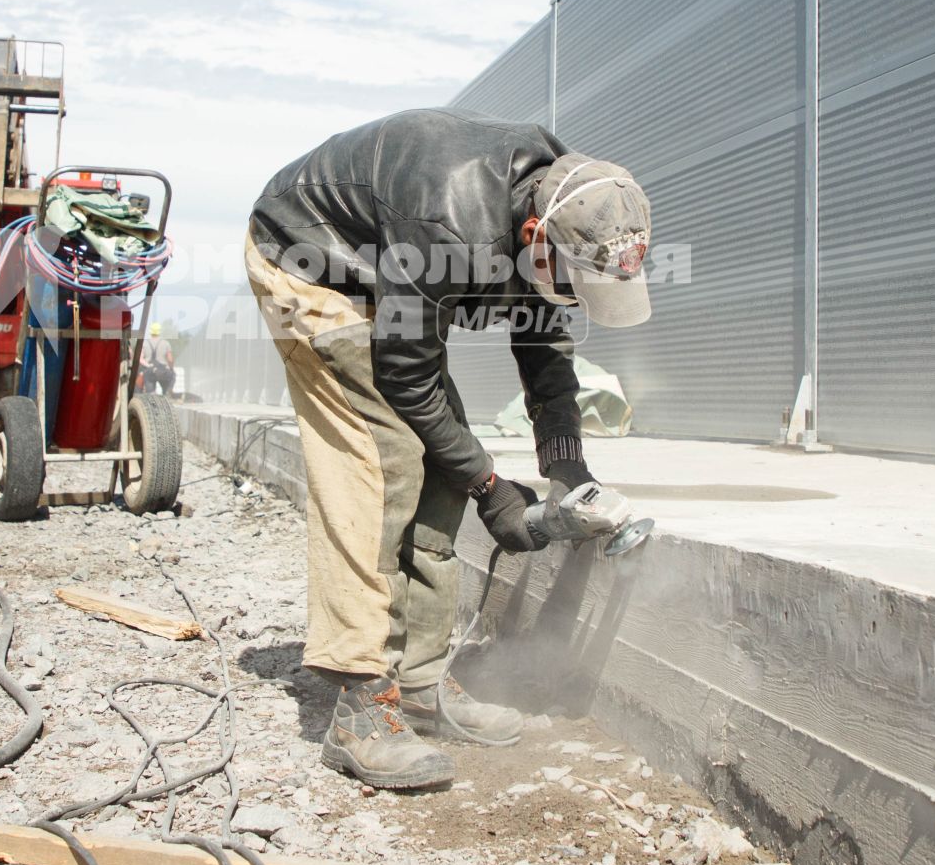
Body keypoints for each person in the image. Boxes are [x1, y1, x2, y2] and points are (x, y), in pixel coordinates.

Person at [244, 108, 653, 790]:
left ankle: (422, 681)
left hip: (385, 264)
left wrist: (566, 469)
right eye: (573, 283)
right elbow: (404, 373)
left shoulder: (570, 200)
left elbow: (546, 343)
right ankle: (359, 704)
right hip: (308, 259)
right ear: (531, 237)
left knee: (442, 460)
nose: (575, 300)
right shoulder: (450, 223)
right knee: (384, 462)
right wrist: (493, 489)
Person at [139, 323, 176, 396]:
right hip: (163, 371)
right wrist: (171, 369)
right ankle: (167, 392)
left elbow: (140, 359)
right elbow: (170, 359)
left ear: (150, 331)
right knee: (172, 376)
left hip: (149, 371)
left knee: (151, 395)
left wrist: (148, 366)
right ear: (160, 331)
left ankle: (152, 400)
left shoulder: (144, 343)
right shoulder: (165, 343)